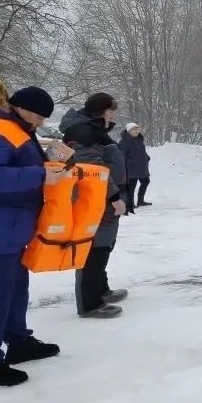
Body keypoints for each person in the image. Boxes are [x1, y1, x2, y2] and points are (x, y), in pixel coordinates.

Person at [0, 79, 64, 387]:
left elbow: (13, 163)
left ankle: (18, 342)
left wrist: (51, 162)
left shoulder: (16, 127)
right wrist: (41, 173)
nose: (42, 123)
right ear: (22, 109)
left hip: (10, 226)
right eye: (39, 117)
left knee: (15, 289)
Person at [60, 93, 129, 319]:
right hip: (93, 201)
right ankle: (89, 303)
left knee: (105, 245)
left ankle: (101, 290)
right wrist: (114, 197)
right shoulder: (83, 133)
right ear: (103, 111)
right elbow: (90, 170)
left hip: (104, 201)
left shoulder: (93, 130)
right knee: (94, 249)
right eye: (112, 111)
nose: (114, 115)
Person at [118, 122, 151, 214]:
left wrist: (147, 157)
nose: (136, 131)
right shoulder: (125, 141)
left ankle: (141, 200)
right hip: (131, 168)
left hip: (141, 167)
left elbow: (141, 152)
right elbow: (121, 155)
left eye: (137, 129)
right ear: (129, 131)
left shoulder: (139, 140)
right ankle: (130, 204)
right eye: (134, 129)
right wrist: (129, 162)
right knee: (131, 187)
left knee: (146, 181)